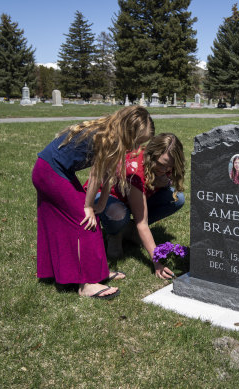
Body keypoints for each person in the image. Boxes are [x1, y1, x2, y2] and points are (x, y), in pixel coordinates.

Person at [32, 106, 155, 299]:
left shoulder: (113, 136)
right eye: (138, 140)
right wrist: (88, 206)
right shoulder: (107, 137)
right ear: (127, 131)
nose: (137, 147)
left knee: (92, 218)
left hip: (58, 171)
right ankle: (86, 285)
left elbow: (108, 174)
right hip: (49, 172)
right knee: (84, 220)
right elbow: (96, 174)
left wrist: (101, 203)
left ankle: (97, 273)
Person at [93, 133, 185, 280]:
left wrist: (164, 181)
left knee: (177, 198)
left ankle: (129, 230)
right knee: (117, 214)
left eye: (170, 166)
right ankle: (115, 233)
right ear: (151, 154)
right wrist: (157, 263)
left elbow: (164, 181)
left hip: (136, 197)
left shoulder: (167, 166)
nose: (165, 169)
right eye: (161, 164)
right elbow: (142, 223)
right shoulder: (134, 169)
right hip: (107, 197)